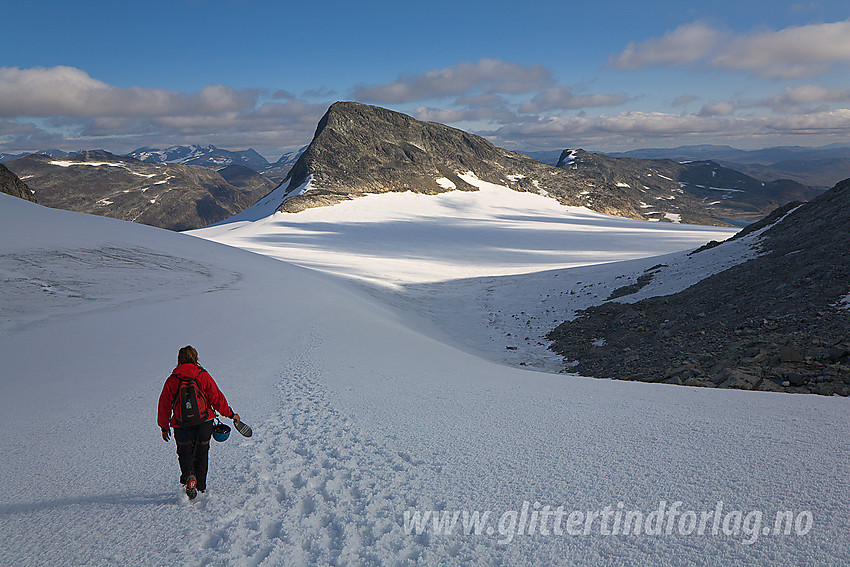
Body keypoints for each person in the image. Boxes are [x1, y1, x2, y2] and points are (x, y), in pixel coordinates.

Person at [157, 345, 240, 498]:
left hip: (181, 424)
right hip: (204, 422)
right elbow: (216, 398)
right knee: (202, 453)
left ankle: (189, 476)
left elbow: (164, 404)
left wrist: (164, 426)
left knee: (184, 452)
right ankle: (200, 486)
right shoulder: (202, 375)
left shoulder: (172, 380)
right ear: (195, 358)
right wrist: (230, 414)